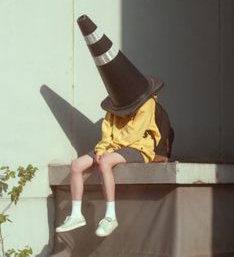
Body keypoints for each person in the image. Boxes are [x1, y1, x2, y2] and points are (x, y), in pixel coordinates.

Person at [56, 95, 161, 237]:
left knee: (105, 162)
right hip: (111, 148)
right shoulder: (115, 101)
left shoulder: (147, 102)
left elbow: (134, 134)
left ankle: (110, 217)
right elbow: (106, 131)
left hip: (138, 147)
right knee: (76, 165)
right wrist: (101, 150)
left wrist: (108, 151)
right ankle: (76, 215)